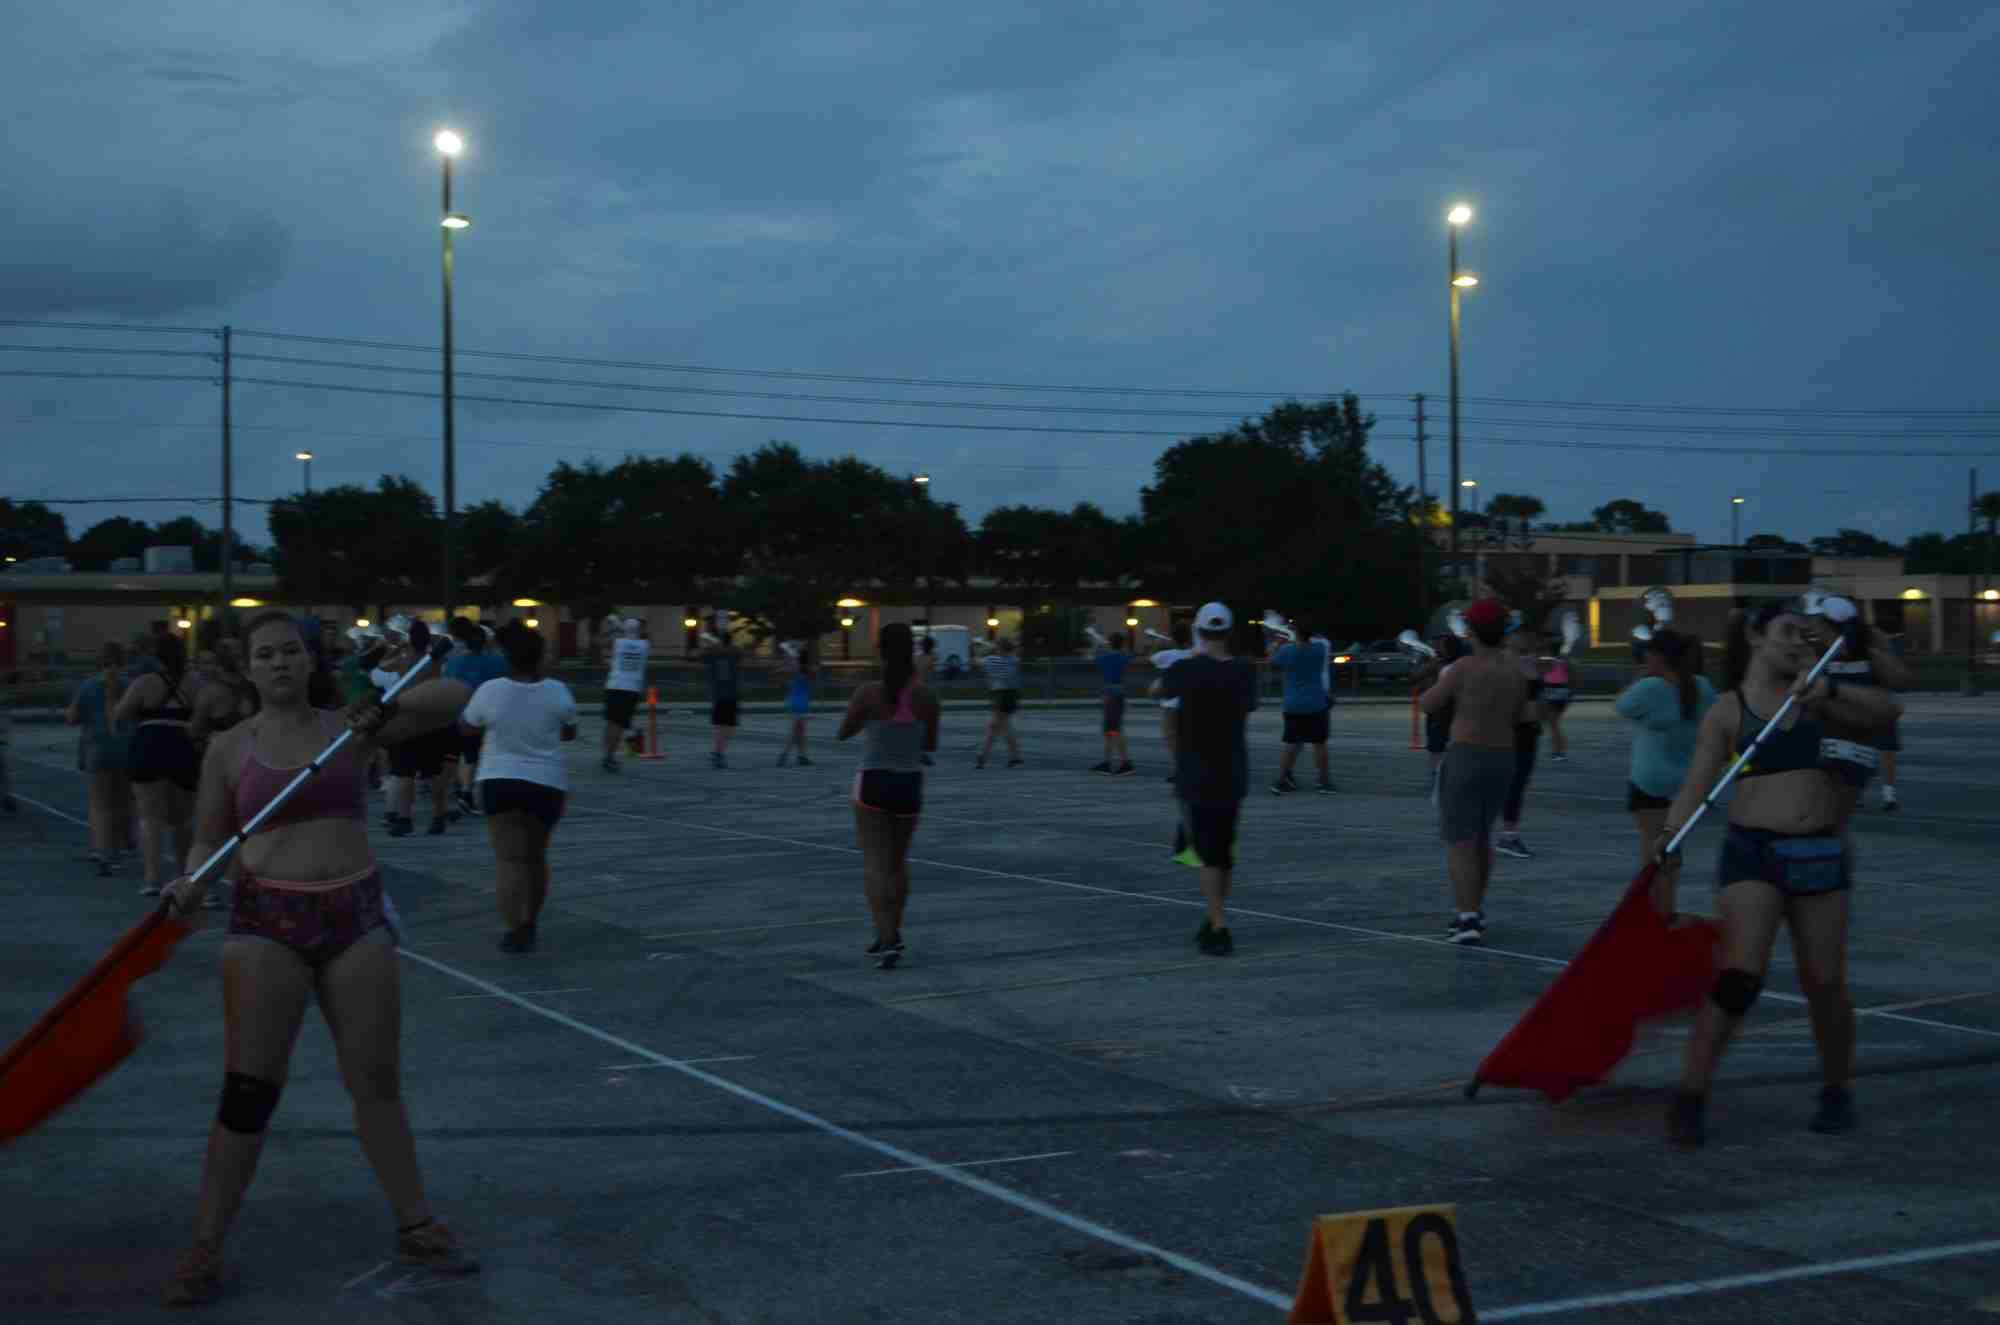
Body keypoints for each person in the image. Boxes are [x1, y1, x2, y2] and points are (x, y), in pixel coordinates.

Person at [156, 610, 476, 1306]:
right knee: (248, 1092)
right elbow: (207, 839)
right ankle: (205, 1246)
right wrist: (190, 880)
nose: (279, 663)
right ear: (248, 668)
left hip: (355, 915)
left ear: (309, 661)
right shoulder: (229, 748)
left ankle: (416, 1223)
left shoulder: (349, 729)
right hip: (265, 921)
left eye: (290, 652)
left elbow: (454, 697)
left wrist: (383, 704)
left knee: (376, 1082)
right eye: (266, 654)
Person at [1658, 599, 1901, 1148]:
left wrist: (1831, 691)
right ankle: (1690, 1096)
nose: (1799, 644)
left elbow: (1888, 711)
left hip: (1821, 853)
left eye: (1807, 637)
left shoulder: (1821, 696)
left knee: (1826, 983)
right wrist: (1668, 837)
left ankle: (1836, 1090)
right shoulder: (1729, 709)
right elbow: (1696, 785)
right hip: (1754, 853)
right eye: (1789, 632)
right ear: (1755, 635)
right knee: (1738, 978)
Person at [459, 621, 578, 953]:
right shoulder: (558, 691)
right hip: (546, 783)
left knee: (509, 860)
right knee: (536, 857)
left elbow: (467, 726)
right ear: (540, 656)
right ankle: (530, 922)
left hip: (500, 779)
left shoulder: (490, 690)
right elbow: (570, 732)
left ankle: (514, 930)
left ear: (507, 657)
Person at [1418, 599, 1527, 945]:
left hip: (1466, 754)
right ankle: (1474, 909)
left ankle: (1466, 918)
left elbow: (1428, 703)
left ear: (1472, 632)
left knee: (1460, 842)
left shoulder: (1463, 667)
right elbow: (1522, 714)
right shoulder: (1515, 669)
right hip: (1504, 757)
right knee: (1482, 837)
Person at [837, 622, 941, 969]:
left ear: (880, 651)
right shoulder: (927, 696)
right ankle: (892, 931)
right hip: (909, 783)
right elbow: (930, 744)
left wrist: (867, 721)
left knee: (875, 864)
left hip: (873, 781)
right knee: (898, 863)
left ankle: (886, 938)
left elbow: (844, 732)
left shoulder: (868, 692)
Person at [1160, 603, 1257, 956]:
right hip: (1233, 769)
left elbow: (1158, 692)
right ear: (1228, 632)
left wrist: (1190, 657)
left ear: (1198, 631)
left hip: (1195, 770)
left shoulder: (1183, 669)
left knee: (1205, 853)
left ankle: (1218, 926)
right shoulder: (1245, 670)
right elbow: (1246, 708)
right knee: (1223, 851)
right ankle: (1214, 916)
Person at [1614, 629, 1716, 912]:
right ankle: (1667, 906)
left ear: (1657, 656)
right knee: (1673, 846)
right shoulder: (1702, 686)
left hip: (1649, 781)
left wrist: (1641, 676)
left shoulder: (1650, 687)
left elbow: (1621, 706)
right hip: (1685, 784)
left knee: (1652, 849)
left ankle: (1652, 910)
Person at [113, 631, 199, 899]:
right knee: (183, 820)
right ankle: (184, 875)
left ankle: (152, 878)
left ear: (156, 656)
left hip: (148, 745)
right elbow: (203, 716)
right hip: (182, 746)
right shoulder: (194, 683)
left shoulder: (145, 682)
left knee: (150, 818)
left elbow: (120, 714)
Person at [1818, 621, 1915, 812]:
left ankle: (1882, 794)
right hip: (1861, 697)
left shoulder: (1863, 639)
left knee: (1879, 746)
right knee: (1873, 747)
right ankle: (1883, 795)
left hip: (1868, 697)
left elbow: (1894, 672)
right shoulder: (1857, 638)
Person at [380, 620, 458, 836]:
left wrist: (398, 647)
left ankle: (405, 818)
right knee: (434, 774)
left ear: (410, 639)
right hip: (433, 719)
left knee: (405, 772)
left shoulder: (403, 659)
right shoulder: (435, 660)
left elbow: (382, 665)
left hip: (408, 720)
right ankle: (439, 816)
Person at [66, 641, 134, 876]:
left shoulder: (88, 686)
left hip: (97, 748)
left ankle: (101, 852)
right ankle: (117, 849)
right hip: (124, 748)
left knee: (100, 804)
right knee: (121, 803)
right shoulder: (130, 686)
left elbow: (72, 717)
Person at [1494, 624, 1547, 860]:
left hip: (1530, 731)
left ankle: (1509, 833)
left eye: (1527, 633)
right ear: (1508, 636)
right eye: (1519, 633)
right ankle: (1508, 836)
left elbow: (1538, 695)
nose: (1526, 637)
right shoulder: (1502, 662)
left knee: (1519, 783)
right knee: (1511, 783)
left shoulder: (1528, 660)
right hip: (1511, 730)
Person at [445, 618, 507, 814]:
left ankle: (459, 788)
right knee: (475, 756)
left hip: (456, 712)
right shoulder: (497, 662)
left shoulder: (453, 661)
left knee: (459, 754)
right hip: (484, 714)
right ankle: (467, 791)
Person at [1269, 623, 1333, 795]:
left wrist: (1276, 643)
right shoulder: (1320, 649)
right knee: (1319, 744)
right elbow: (1318, 642)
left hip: (1294, 704)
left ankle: (1281, 781)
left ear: (1296, 633)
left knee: (1292, 743)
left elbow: (1273, 661)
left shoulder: (1287, 651)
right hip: (1316, 702)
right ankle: (1324, 783)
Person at [1413, 632, 1467, 806]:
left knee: (1438, 749)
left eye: (1440, 644)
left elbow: (1416, 676)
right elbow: (1417, 678)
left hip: (1441, 712)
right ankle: (1442, 781)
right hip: (1449, 713)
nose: (1436, 647)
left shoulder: (1443, 665)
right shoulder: (1452, 663)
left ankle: (1438, 782)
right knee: (1442, 749)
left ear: (1448, 648)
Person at [599, 617, 650, 773]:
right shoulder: (644, 645)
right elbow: (644, 635)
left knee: (611, 723)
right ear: (638, 631)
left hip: (613, 686)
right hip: (631, 689)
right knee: (619, 725)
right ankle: (610, 757)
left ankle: (606, 755)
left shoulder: (618, 643)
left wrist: (614, 627)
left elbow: (600, 641)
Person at [1146, 624, 1193, 784]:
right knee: (1186, 738)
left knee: (1171, 737)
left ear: (1173, 639)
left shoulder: (1165, 655)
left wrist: (1156, 643)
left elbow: (1151, 659)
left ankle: (1178, 770)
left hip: (1170, 704)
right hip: (1189, 703)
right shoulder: (1192, 654)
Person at [975, 636, 1024, 768]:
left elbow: (977, 661)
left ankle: (984, 756)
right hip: (1011, 695)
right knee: (998, 726)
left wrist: (982, 650)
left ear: (1000, 648)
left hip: (1000, 695)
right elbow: (1016, 680)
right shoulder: (1014, 661)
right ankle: (1013, 756)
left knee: (997, 726)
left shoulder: (991, 660)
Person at [1090, 631, 1135, 775]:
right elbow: (1129, 655)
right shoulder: (1123, 656)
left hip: (1110, 696)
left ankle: (1124, 763)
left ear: (1110, 644)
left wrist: (1097, 643)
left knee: (1114, 730)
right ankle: (1109, 761)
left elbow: (1092, 657)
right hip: (1119, 694)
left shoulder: (1106, 657)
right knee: (1111, 730)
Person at [701, 617, 742, 769]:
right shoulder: (732, 653)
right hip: (728, 695)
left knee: (722, 726)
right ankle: (718, 753)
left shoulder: (714, 654)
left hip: (720, 695)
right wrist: (717, 644)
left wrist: (713, 644)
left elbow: (702, 653)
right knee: (727, 726)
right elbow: (737, 651)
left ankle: (717, 752)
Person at [778, 641, 816, 767]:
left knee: (799, 731)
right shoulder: (810, 670)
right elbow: (810, 685)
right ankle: (784, 755)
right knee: (797, 732)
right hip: (803, 703)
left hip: (793, 701)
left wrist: (790, 653)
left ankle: (802, 756)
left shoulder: (795, 669)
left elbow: (786, 679)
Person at [1541, 643, 1573, 762]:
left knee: (1554, 726)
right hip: (1563, 692)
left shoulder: (1547, 660)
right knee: (1555, 724)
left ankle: (1559, 752)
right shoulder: (1564, 660)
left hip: (1552, 692)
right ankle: (1559, 751)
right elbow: (1570, 676)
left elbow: (1542, 671)